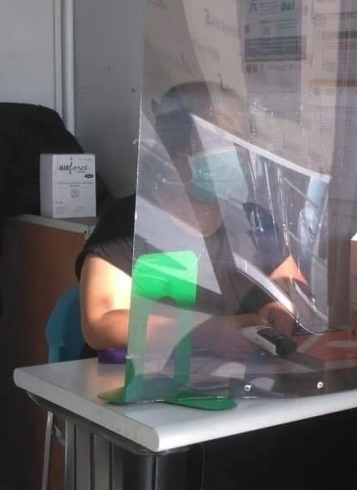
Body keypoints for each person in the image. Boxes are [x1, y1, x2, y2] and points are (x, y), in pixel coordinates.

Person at [76, 81, 302, 357]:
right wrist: (207, 333)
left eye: (241, 137)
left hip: (241, 386)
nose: (238, 150)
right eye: (222, 136)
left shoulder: (253, 220)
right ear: (178, 147)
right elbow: (100, 322)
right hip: (146, 387)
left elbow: (293, 290)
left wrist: (280, 310)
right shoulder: (130, 222)